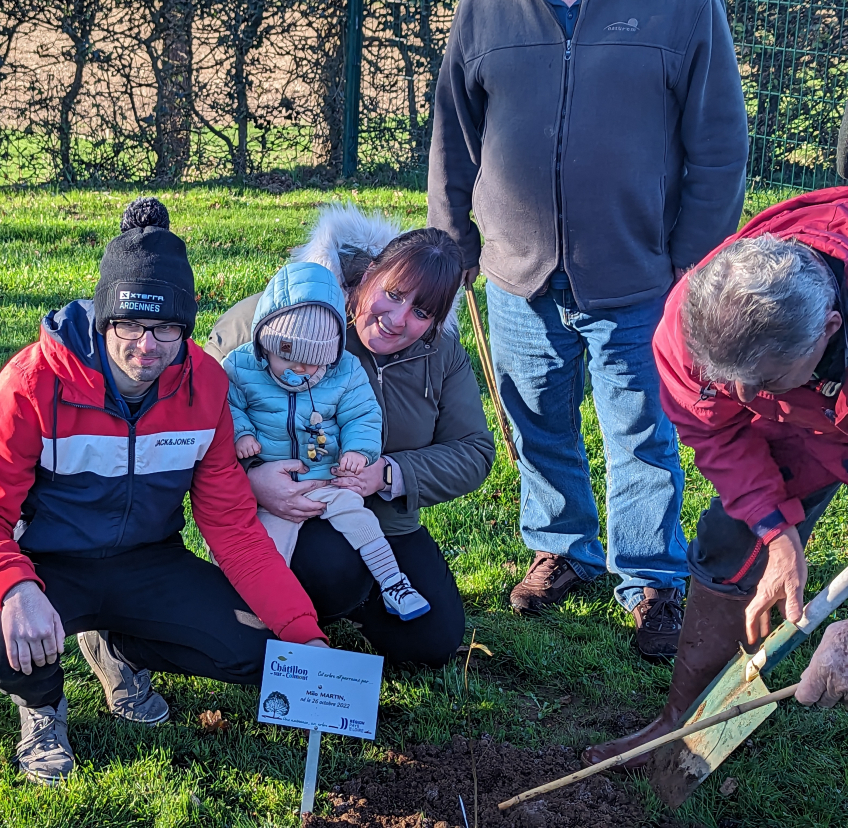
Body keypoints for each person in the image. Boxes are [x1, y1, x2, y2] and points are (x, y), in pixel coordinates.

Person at [0, 198, 326, 786]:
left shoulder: (206, 386)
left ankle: (119, 647)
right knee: (0, 637)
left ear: (186, 326)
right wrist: (16, 586)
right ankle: (43, 707)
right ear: (104, 318)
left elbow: (233, 527)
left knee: (258, 651)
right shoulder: (32, 382)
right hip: (46, 564)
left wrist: (305, 634)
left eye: (166, 328)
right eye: (130, 325)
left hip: (148, 561)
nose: (147, 346)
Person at [426, 0, 751, 658]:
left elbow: (719, 141)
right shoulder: (485, 10)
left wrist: (696, 258)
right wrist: (452, 240)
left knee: (640, 431)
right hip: (518, 268)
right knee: (536, 419)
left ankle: (651, 579)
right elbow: (453, 131)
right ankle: (564, 550)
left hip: (639, 270)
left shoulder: (685, 10)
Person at [584, 186, 848, 768]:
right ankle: (680, 726)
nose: (743, 400)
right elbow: (716, 429)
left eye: (763, 379)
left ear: (829, 328)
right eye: (728, 380)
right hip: (805, 406)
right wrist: (777, 533)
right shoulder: (697, 320)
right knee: (734, 539)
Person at [206, 205, 495, 666]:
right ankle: (294, 608)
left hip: (384, 520)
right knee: (330, 569)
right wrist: (253, 481)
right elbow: (204, 419)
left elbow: (475, 451)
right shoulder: (286, 324)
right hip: (279, 508)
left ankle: (358, 601)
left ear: (437, 322)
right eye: (393, 293)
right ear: (370, 273)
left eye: (421, 311)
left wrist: (389, 473)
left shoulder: (442, 355)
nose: (398, 319)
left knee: (431, 641)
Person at [225, 260, 430, 620]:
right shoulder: (239, 367)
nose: (302, 370)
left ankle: (393, 582)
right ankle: (263, 613)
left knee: (358, 517)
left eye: (316, 363)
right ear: (264, 343)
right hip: (271, 487)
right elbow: (226, 404)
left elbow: (363, 415)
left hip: (326, 476)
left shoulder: (346, 371)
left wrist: (358, 451)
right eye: (289, 357)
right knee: (269, 548)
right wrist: (241, 434)